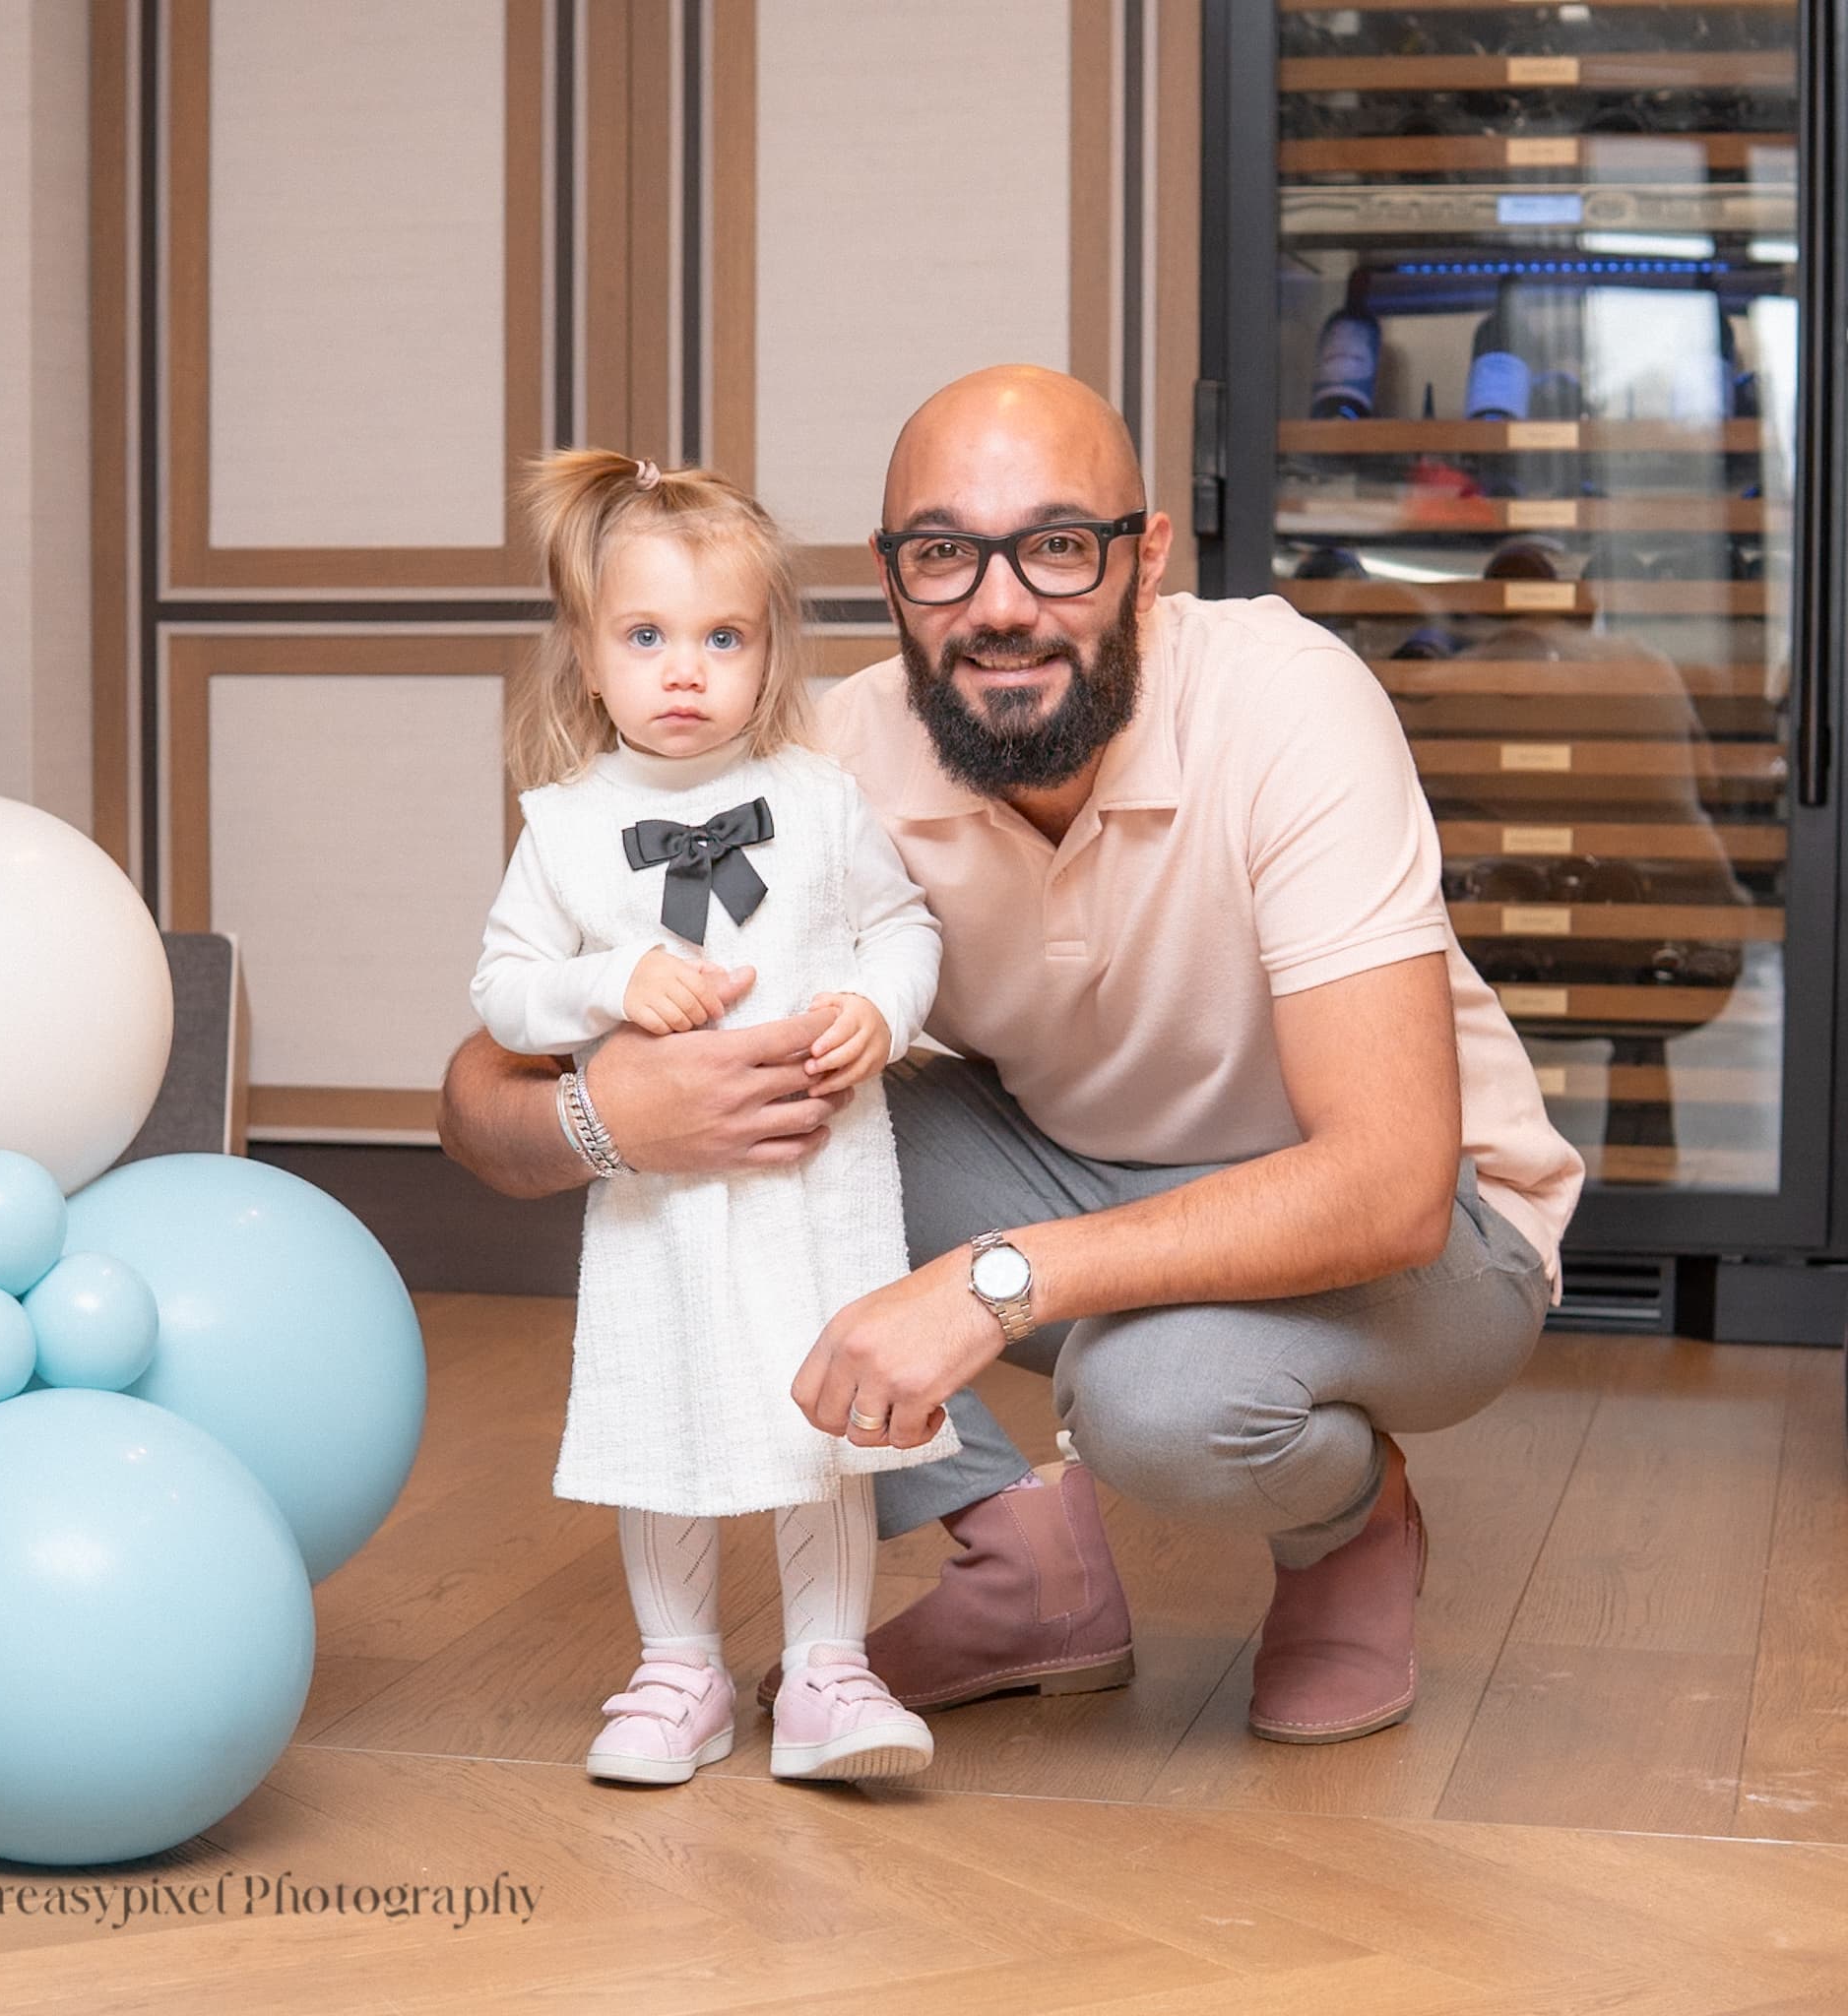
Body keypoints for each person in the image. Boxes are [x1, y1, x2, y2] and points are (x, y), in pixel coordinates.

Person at [443, 368, 1586, 1750]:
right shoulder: (829, 760)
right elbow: (478, 1098)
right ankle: (1027, 1560)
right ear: (891, 581)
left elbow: (1391, 1182)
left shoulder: (1287, 703)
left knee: (1158, 1398)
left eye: (1057, 546)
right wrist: (617, 1111)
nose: (999, 606)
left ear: (1147, 557)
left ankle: (1348, 1524)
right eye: (944, 554)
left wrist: (995, 1286)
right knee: (795, 1130)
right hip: (1068, 1173)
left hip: (1424, 1245)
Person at [468, 447, 962, 1788]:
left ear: (767, 655)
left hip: (817, 1183)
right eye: (646, 636)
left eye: (720, 637)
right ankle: (677, 1666)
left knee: (827, 1423)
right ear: (586, 655)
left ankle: (826, 1670)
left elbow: (901, 924)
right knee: (661, 1410)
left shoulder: (817, 799)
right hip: (665, 1202)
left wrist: (881, 1005)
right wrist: (606, 981)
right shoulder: (566, 829)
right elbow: (504, 992)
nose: (684, 671)